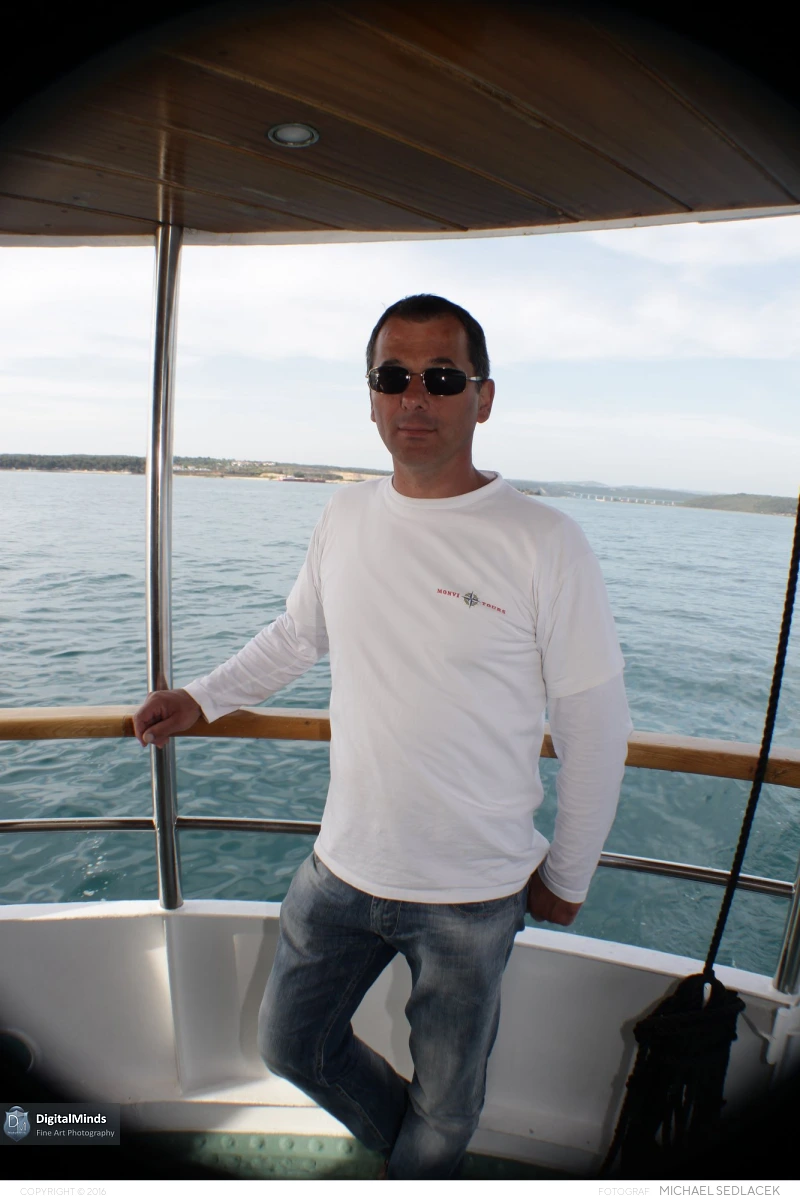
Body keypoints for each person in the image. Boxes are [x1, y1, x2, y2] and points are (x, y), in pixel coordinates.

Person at [133, 293, 632, 1179]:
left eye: (441, 377)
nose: (415, 397)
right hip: (342, 868)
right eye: (393, 377)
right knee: (292, 1045)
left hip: (473, 895)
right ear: (370, 397)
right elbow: (298, 636)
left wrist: (568, 873)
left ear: (483, 397)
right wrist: (201, 699)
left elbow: (595, 726)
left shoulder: (545, 542)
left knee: (448, 1104)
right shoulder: (345, 517)